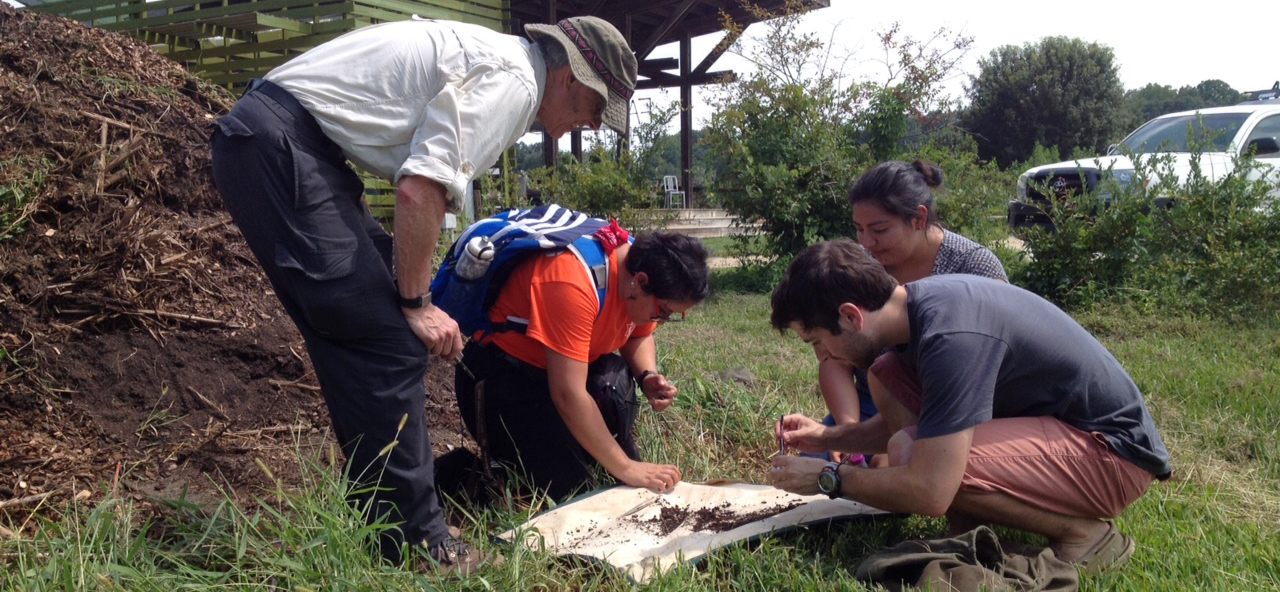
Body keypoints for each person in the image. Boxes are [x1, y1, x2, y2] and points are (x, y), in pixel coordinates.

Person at [208, 15, 638, 573]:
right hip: (281, 144)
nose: (590, 125)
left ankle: (385, 520)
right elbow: (420, 189)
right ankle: (419, 545)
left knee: (372, 327)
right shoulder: (515, 83)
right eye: (594, 110)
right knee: (388, 338)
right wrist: (416, 303)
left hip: (293, 143)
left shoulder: (506, 65)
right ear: (571, 80)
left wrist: (408, 298)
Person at [767, 239, 1171, 574]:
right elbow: (924, 421)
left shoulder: (951, 335)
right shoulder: (913, 313)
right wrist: (828, 436)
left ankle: (1084, 534)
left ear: (851, 316)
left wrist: (829, 477)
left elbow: (930, 490)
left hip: (1114, 457)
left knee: (914, 456)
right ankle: (975, 519)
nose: (825, 354)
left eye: (818, 341)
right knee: (886, 376)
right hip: (1065, 436)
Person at [454, 231, 710, 501]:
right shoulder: (572, 280)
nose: (663, 319)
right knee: (574, 493)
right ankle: (457, 476)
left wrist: (648, 375)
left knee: (614, 389)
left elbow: (639, 333)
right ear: (641, 281)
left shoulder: (637, 269)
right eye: (665, 312)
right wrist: (626, 467)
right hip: (502, 378)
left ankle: (585, 454)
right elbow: (567, 394)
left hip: (558, 375)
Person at [811, 161, 1008, 466]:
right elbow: (834, 358)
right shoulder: (860, 267)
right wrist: (848, 431)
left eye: (879, 230)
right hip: (871, 404)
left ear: (919, 218)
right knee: (815, 464)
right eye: (859, 229)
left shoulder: (974, 268)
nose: (866, 243)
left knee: (901, 467)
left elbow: (991, 377)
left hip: (952, 408)